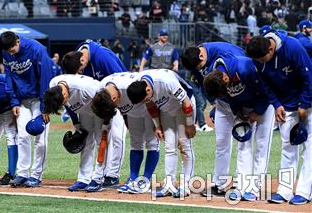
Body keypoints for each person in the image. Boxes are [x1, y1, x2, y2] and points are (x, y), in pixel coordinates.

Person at [246, 31, 312, 205]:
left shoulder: (293, 47)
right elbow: (265, 83)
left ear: (270, 49)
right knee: (287, 146)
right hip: (286, 104)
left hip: (308, 101)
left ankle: (305, 191)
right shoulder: (258, 55)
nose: (259, 62)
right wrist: (276, 104)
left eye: (262, 59)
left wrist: (305, 104)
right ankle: (285, 190)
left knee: (310, 147)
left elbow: (309, 77)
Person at [202, 56, 275, 201]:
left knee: (262, 144)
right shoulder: (214, 77)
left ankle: (254, 188)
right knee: (243, 142)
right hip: (244, 106)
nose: (226, 90)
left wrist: (258, 111)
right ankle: (242, 186)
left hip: (265, 103)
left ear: (224, 77)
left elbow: (267, 89)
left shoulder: (244, 68)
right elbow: (230, 98)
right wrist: (239, 114)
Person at [180, 41, 246, 196]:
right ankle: (219, 184)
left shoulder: (225, 52)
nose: (199, 70)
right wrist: (214, 104)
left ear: (202, 55)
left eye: (200, 65)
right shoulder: (195, 61)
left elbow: (243, 74)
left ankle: (242, 184)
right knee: (221, 142)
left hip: (240, 101)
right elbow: (205, 86)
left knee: (243, 143)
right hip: (223, 103)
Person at [61, 39, 128, 189]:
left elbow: (121, 79)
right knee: (87, 138)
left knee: (116, 136)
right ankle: (84, 178)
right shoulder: (75, 57)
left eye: (80, 70)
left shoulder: (103, 57)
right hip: (91, 102)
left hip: (115, 99)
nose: (80, 73)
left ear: (83, 60)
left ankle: (112, 175)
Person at [44, 74, 125, 192]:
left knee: (100, 141)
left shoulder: (86, 88)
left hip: (101, 109)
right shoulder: (54, 85)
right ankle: (84, 178)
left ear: (65, 94)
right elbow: (68, 106)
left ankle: (98, 178)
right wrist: (76, 124)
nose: (63, 105)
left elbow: (106, 104)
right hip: (85, 111)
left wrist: (106, 124)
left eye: (62, 102)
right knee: (86, 142)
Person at [127, 69, 196, 198]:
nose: (145, 101)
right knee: (170, 147)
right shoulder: (141, 85)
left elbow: (186, 101)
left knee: (185, 145)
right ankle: (169, 185)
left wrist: (190, 124)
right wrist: (157, 126)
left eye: (145, 98)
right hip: (166, 110)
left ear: (148, 90)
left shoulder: (166, 81)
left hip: (183, 107)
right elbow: (150, 105)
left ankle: (185, 185)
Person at [0, 31, 54, 188]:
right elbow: (9, 77)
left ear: (18, 41)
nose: (10, 52)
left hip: (39, 99)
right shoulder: (6, 52)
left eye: (12, 49)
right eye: (7, 50)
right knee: (22, 136)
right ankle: (23, 173)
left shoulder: (37, 49)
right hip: (22, 100)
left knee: (40, 138)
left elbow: (46, 78)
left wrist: (46, 106)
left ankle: (36, 175)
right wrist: (14, 102)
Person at [91, 72, 159, 195]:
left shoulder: (128, 86)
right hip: (133, 114)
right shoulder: (102, 91)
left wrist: (158, 122)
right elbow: (121, 110)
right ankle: (133, 179)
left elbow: (153, 94)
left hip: (149, 108)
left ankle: (145, 180)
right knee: (135, 143)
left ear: (114, 98)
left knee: (152, 143)